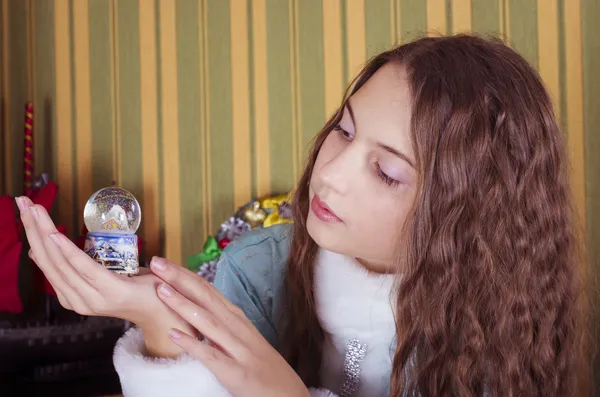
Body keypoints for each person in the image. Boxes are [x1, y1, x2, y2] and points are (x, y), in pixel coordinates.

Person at [16, 34, 587, 397]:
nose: (331, 173)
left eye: (386, 172)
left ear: (467, 212)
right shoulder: (258, 267)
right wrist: (155, 315)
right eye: (343, 130)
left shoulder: (499, 319)